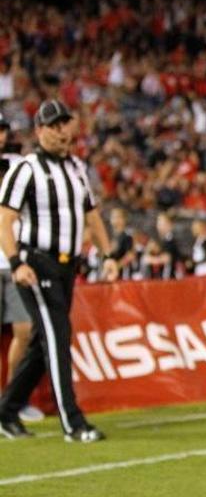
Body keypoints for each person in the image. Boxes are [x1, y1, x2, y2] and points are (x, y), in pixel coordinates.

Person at [0, 100, 119, 442]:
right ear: (39, 131)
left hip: (69, 264)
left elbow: (93, 217)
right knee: (58, 335)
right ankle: (73, 422)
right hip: (37, 262)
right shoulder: (25, 169)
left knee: (43, 342)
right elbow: (5, 220)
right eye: (54, 125)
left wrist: (107, 254)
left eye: (64, 123)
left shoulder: (76, 169)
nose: (61, 130)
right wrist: (16, 263)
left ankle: (7, 412)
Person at [0, 114, 42, 424]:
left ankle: (12, 400)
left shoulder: (19, 164)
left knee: (25, 331)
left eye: (2, 130)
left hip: (14, 260)